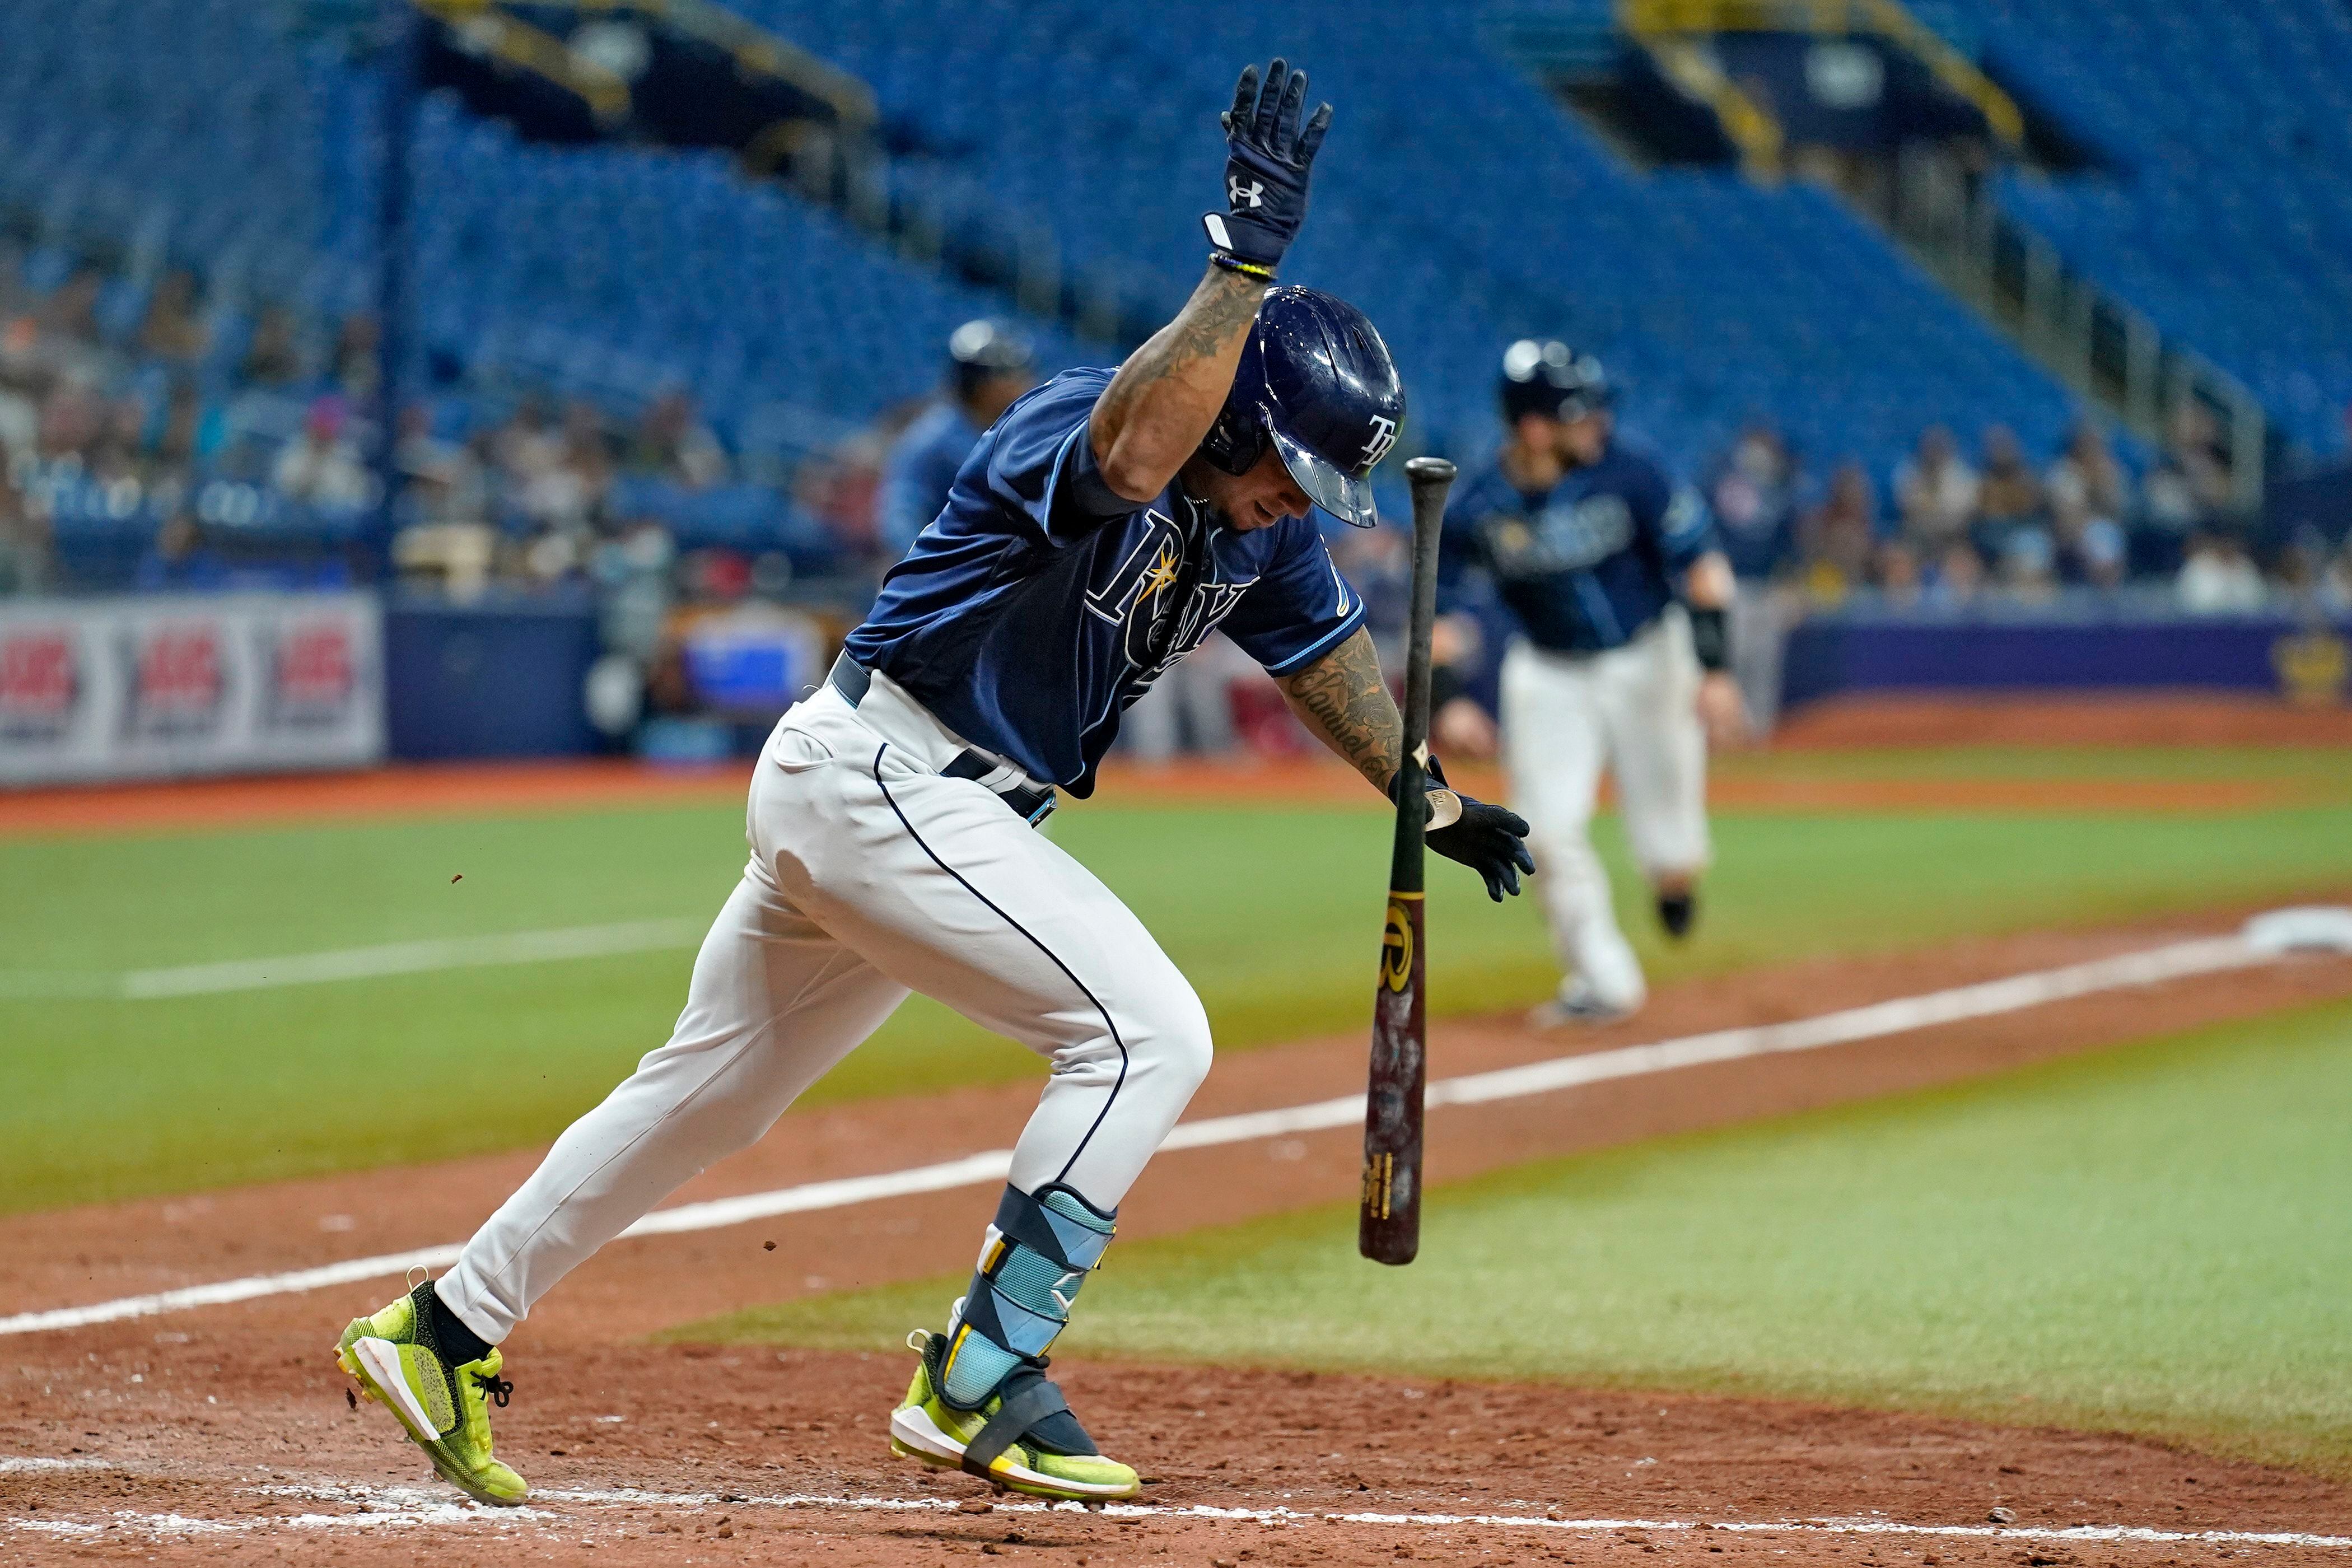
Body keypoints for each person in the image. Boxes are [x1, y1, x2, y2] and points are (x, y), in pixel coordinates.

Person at [332, 58, 1531, 1510]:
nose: (1299, 506)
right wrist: (1243, 270)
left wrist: (1429, 794)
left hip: (897, 805)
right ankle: (982, 1372)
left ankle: (443, 1326)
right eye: (1290, 471)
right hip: (890, 773)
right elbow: (1138, 453)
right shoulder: (1092, 424)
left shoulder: (1263, 535)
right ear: (1234, 414)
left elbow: (1327, 662)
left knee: (703, 1096)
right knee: (1147, 1036)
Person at [1431, 341, 1740, 1026]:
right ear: (1536, 428)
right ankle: (1603, 980)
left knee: (1672, 842)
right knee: (1541, 829)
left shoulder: (1634, 472)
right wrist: (1448, 700)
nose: (1598, 425)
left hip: (1651, 657)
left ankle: (1674, 876)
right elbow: (1439, 615)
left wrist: (1716, 668)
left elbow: (1703, 568)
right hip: (1549, 670)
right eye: (1580, 414)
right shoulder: (1480, 505)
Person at [878, 319, 1038, 557]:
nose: (1024, 382)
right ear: (980, 383)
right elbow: (899, 518)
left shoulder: (1019, 431)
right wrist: (932, 567)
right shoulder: (933, 441)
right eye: (1011, 374)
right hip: (959, 574)